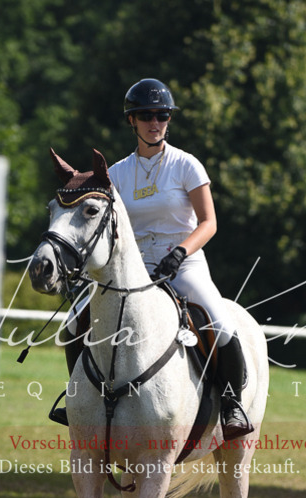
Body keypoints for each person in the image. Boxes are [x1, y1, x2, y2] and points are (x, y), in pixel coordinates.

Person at [107, 77, 253, 442]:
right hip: (135, 268)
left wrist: (180, 252)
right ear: (132, 120)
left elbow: (209, 222)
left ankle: (232, 402)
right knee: (80, 317)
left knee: (220, 321)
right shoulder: (117, 174)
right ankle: (79, 398)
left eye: (162, 115)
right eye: (146, 115)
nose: (155, 123)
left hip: (183, 264)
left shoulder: (187, 165)